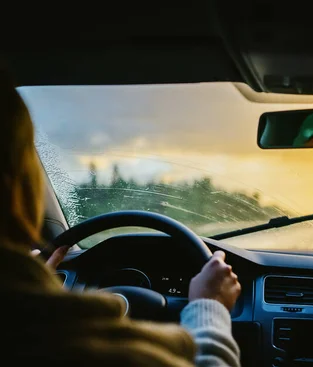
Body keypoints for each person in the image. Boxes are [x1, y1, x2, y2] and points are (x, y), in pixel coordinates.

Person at [0, 68, 242, 366]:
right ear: (17, 188)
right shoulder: (61, 340)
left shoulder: (21, 316)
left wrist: (35, 286)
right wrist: (209, 306)